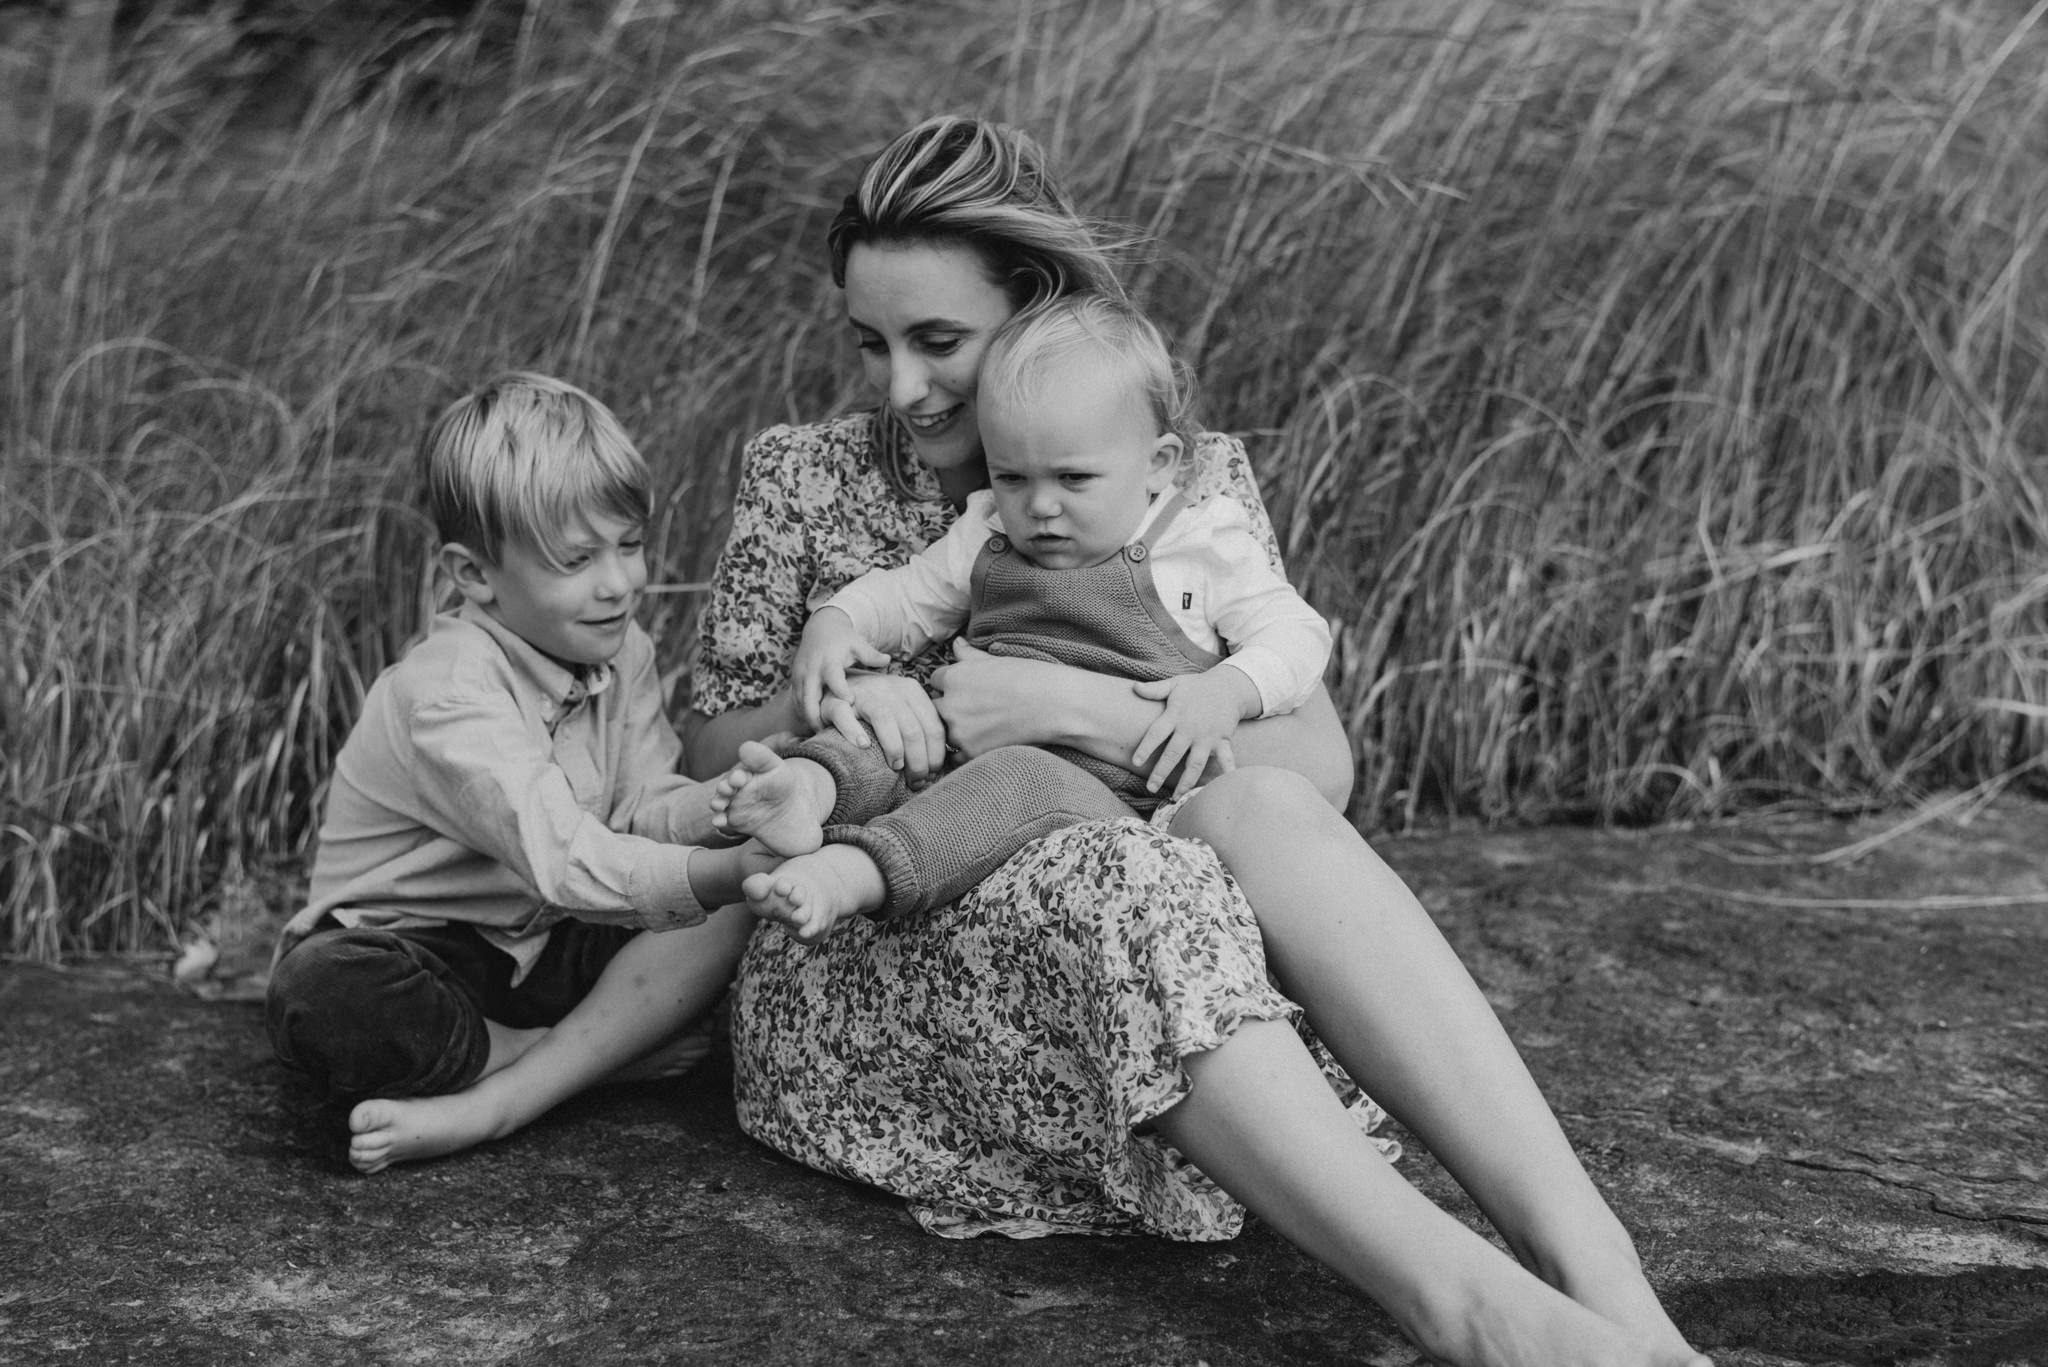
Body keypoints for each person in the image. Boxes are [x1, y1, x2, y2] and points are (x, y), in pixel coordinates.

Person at [683, 117, 1712, 1367]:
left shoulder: (1183, 478)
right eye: (872, 342)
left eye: (938, 340)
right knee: (1133, 874)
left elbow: (1314, 764)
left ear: (1035, 311)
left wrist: (1073, 712)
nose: (902, 388)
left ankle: (1595, 1270)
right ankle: (1471, 1310)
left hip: (1141, 898)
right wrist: (829, 701)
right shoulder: (798, 473)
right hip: (882, 947)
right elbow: (707, 759)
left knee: (1259, 819)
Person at [711, 293, 1333, 942]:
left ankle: (851, 874)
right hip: (967, 763)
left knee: (1019, 777)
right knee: (882, 729)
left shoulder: (1199, 543)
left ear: (1158, 466)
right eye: (1012, 477)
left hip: (1114, 807)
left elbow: (1296, 633)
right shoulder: (984, 529)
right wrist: (835, 622)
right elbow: (901, 597)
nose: (1039, 507)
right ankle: (803, 791)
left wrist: (1227, 690)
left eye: (1073, 479)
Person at [265, 373, 763, 1175]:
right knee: (323, 995)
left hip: (549, 939)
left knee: (731, 901)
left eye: (629, 544)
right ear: (474, 576)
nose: (620, 582)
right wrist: (715, 866)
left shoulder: (616, 645)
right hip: (421, 951)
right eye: (576, 559)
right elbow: (562, 857)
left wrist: (723, 809)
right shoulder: (450, 693)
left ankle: (524, 1075)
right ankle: (550, 1061)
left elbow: (642, 804)